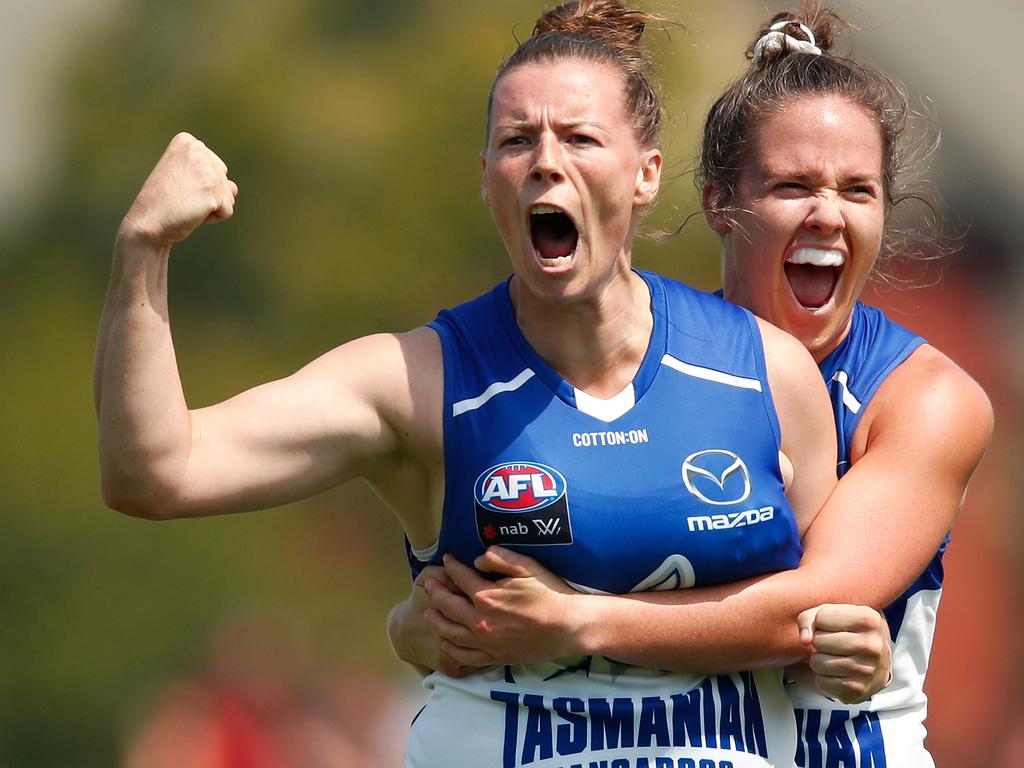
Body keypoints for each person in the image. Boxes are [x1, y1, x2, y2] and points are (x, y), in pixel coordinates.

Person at [95, 1, 861, 765]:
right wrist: (142, 253)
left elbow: (819, 632)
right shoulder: (417, 382)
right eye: (516, 141)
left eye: (580, 138)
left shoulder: (767, 375)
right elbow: (156, 472)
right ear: (488, 180)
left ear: (645, 175)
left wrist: (854, 648)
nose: (546, 162)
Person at [389, 3, 994, 767]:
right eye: (791, 186)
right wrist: (416, 625)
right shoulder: (642, 360)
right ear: (718, 200)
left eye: (858, 191)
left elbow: (805, 610)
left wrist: (576, 621)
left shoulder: (927, 397)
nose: (827, 216)